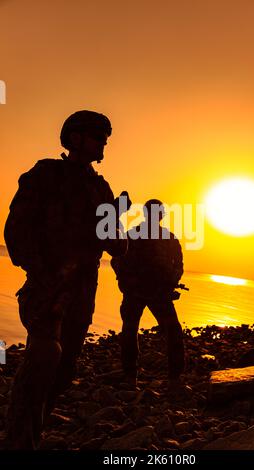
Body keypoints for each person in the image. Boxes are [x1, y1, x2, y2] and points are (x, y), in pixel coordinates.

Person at [4, 110, 129, 449]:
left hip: (83, 292)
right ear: (75, 138)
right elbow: (16, 230)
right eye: (97, 136)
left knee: (62, 369)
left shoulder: (101, 188)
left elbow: (115, 244)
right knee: (44, 355)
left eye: (105, 137)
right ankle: (18, 440)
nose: (104, 143)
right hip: (47, 286)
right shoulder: (46, 174)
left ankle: (35, 432)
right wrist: (41, 272)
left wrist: (117, 224)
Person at [111, 199, 185, 389]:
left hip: (159, 293)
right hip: (135, 292)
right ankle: (130, 377)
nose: (155, 216)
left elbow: (179, 265)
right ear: (146, 214)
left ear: (161, 216)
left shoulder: (168, 238)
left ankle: (175, 379)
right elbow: (116, 260)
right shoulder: (132, 235)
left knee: (173, 331)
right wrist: (126, 280)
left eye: (158, 213)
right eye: (152, 213)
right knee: (129, 331)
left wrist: (171, 281)